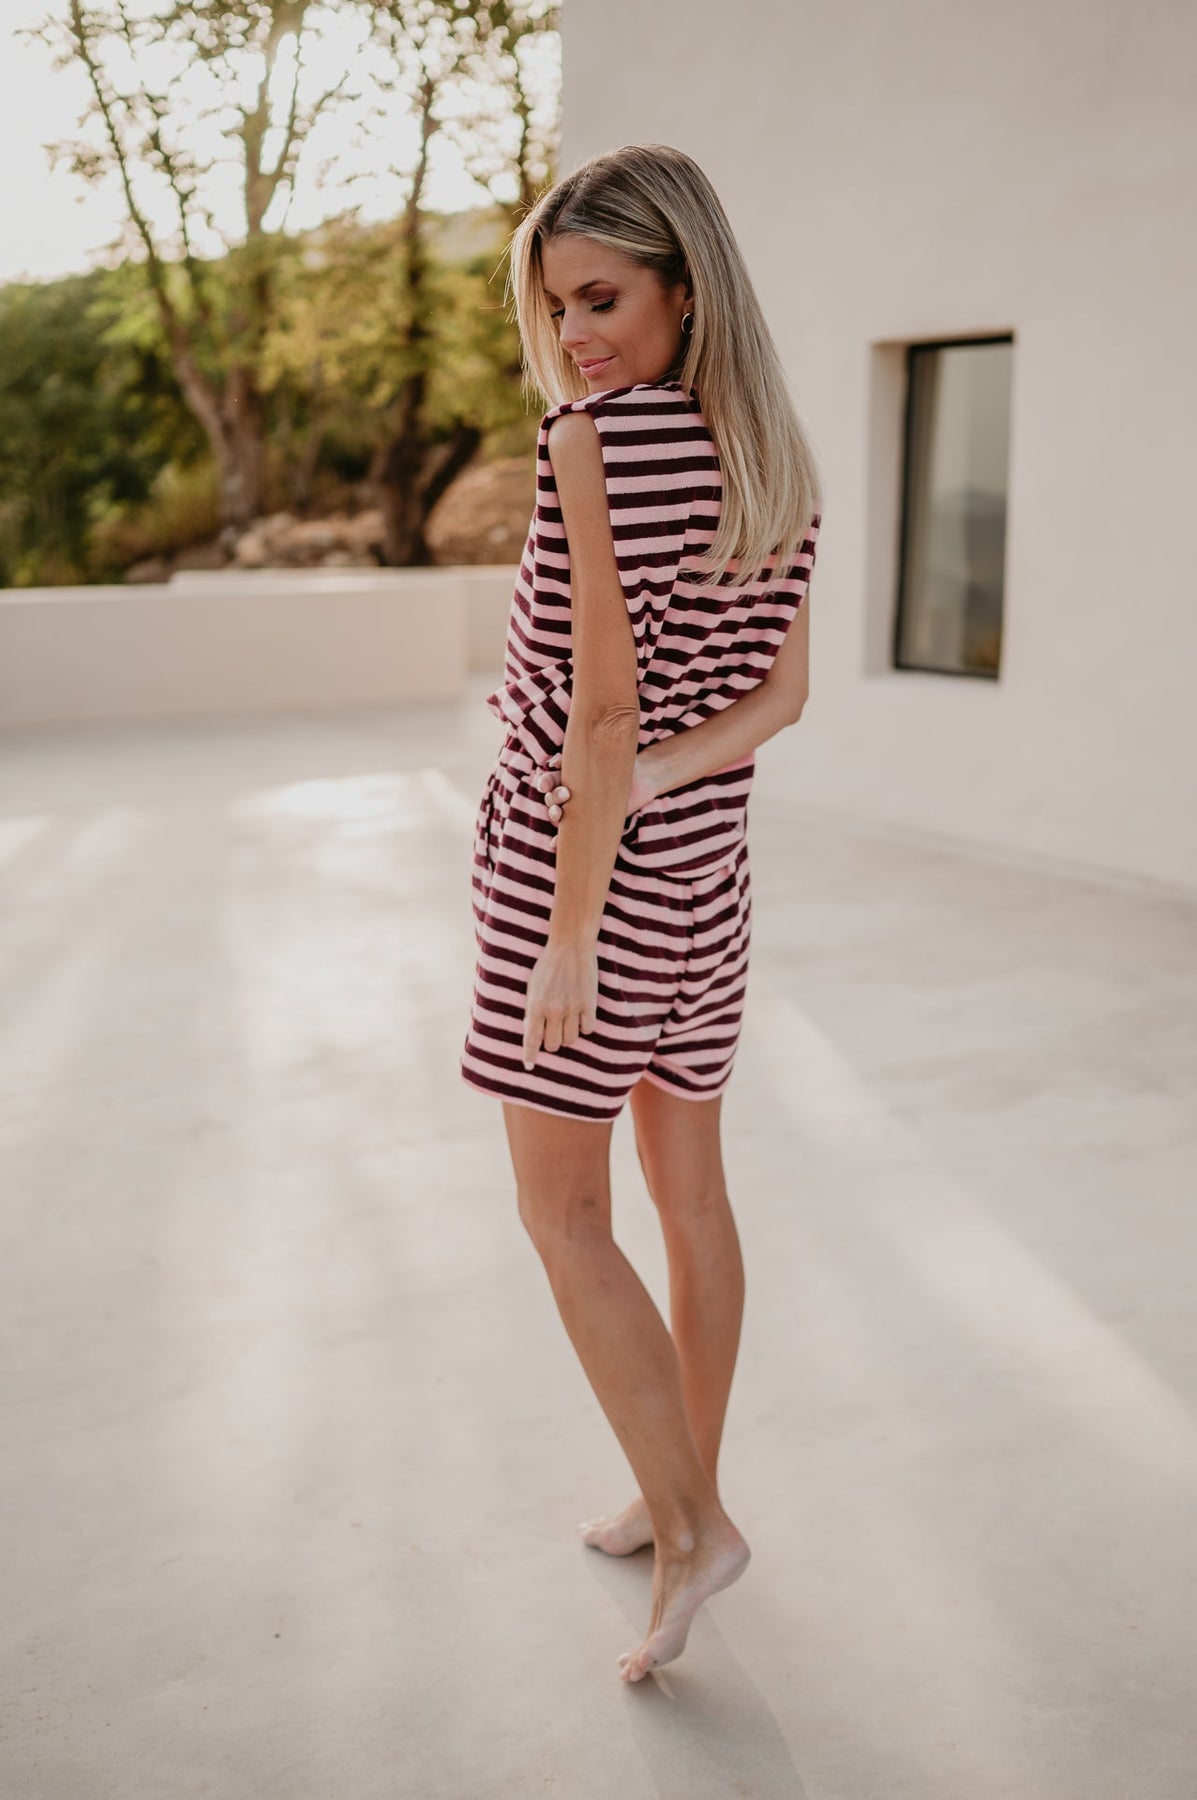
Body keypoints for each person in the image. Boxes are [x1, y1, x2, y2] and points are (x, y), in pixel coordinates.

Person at [459, 143, 823, 1684]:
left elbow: (599, 715)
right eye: (558, 308)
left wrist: (564, 931)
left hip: (586, 884)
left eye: (601, 299)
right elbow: (779, 699)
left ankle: (689, 1526)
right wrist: (667, 780)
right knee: (690, 1204)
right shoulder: (771, 453)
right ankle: (678, 1499)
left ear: (686, 284)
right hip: (705, 885)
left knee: (563, 1218)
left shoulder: (595, 445)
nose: (577, 336)